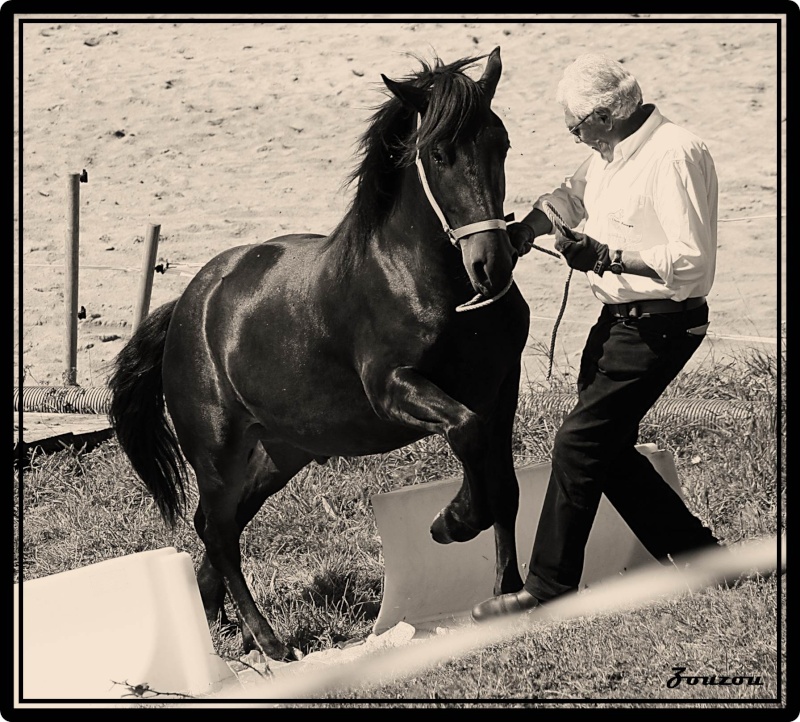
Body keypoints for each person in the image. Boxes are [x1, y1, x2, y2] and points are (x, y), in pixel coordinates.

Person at [472, 53, 721, 621]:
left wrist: (608, 256)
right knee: (605, 452)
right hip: (617, 324)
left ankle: (549, 588)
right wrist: (523, 231)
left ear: (606, 116)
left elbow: (692, 263)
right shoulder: (611, 153)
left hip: (662, 324)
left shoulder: (673, 154)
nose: (578, 139)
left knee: (579, 443)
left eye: (577, 129)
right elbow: (569, 198)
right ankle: (705, 561)